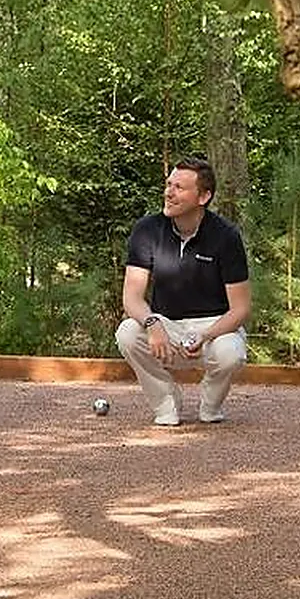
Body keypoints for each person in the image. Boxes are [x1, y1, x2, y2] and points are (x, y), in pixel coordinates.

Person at [115, 156, 251, 425]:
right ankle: (166, 404)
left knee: (231, 352)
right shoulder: (147, 230)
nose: (169, 192)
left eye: (179, 187)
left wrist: (206, 334)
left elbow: (241, 309)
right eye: (168, 184)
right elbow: (131, 298)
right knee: (128, 333)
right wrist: (153, 324)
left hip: (214, 327)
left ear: (203, 196)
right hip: (165, 324)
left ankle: (210, 405)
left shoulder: (226, 236)